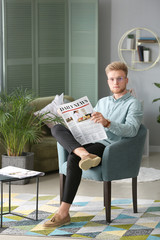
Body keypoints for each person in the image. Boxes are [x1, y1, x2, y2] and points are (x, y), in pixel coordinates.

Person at [43, 61, 143, 228]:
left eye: (119, 79)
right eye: (112, 79)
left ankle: (63, 213)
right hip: (89, 141)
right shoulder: (103, 102)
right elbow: (89, 123)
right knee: (57, 128)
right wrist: (70, 118)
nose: (115, 83)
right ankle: (83, 153)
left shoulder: (133, 104)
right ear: (107, 81)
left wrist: (107, 123)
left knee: (73, 159)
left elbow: (132, 130)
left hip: (110, 147)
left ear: (126, 80)